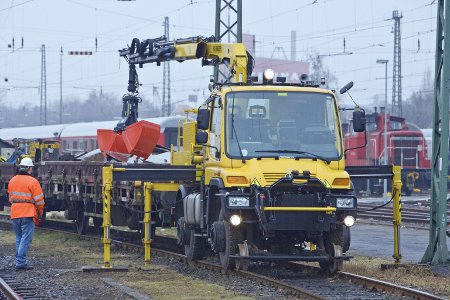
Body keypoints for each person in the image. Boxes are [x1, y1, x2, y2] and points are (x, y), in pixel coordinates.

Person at [8, 157, 45, 270]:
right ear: (29, 168)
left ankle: (20, 261)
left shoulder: (12, 180)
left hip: (15, 212)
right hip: (28, 212)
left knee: (19, 237)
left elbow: (10, 198)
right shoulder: (33, 181)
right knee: (26, 238)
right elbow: (39, 200)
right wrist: (40, 211)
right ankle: (20, 262)